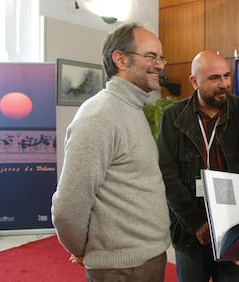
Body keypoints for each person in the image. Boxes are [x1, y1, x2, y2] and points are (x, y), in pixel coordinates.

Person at [51, 22, 171, 282]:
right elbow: (68, 206)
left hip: (144, 258)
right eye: (151, 56)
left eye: (161, 58)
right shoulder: (100, 116)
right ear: (120, 59)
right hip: (123, 268)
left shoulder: (131, 108)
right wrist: (84, 248)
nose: (160, 65)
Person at [157, 50, 239, 282]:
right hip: (189, 230)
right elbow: (168, 175)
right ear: (194, 81)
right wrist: (196, 223)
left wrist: (238, 222)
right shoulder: (173, 116)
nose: (224, 84)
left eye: (227, 76)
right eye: (214, 78)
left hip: (234, 226)